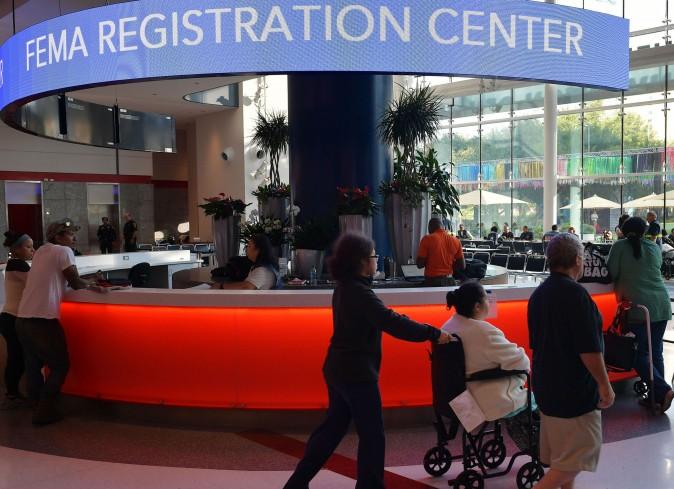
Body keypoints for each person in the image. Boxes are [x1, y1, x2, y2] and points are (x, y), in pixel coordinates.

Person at [283, 233, 451, 489]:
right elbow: (391, 322)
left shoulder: (345, 288)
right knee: (372, 436)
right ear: (362, 261)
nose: (377, 261)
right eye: (374, 256)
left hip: (337, 369)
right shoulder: (359, 292)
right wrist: (434, 333)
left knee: (332, 430)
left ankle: (297, 482)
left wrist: (402, 320)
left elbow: (381, 317)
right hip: (357, 374)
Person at [528, 234, 614, 489]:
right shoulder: (577, 296)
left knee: (562, 457)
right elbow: (589, 349)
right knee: (576, 460)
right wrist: (604, 385)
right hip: (573, 389)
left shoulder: (539, 295)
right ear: (578, 260)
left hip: (546, 385)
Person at [16, 219, 107, 425]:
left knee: (34, 366)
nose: (74, 237)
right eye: (69, 234)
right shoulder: (64, 251)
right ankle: (45, 409)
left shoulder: (41, 251)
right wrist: (94, 284)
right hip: (43, 320)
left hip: (23, 319)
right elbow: (74, 282)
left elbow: (60, 278)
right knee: (60, 365)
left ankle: (36, 406)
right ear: (57, 237)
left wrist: (89, 279)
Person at [607, 217, 673, 413]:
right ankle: (657, 397)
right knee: (656, 352)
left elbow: (612, 272)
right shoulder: (654, 247)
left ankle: (663, 390)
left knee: (639, 356)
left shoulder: (619, 247)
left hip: (638, 308)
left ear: (623, 230)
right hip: (661, 304)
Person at [441, 282, 530, 421]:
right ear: (477, 306)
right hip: (485, 402)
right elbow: (521, 362)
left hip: (457, 401)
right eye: (487, 300)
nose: (489, 303)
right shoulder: (484, 332)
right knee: (540, 397)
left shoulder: (447, 327)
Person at [0, 231, 34, 409]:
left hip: (12, 317)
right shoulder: (17, 264)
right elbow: (35, 283)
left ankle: (13, 392)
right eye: (28, 247)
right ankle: (12, 393)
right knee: (16, 357)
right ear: (17, 249)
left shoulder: (17, 264)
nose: (32, 250)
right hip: (12, 318)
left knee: (18, 356)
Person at [214, 234, 280, 290]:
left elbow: (246, 286)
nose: (246, 249)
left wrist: (221, 286)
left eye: (249, 246)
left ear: (257, 250)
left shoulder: (263, 270)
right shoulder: (261, 266)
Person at [416, 218, 465, 287]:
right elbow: (462, 266)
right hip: (450, 281)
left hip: (432, 282)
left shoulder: (427, 239)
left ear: (430, 228)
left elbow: (419, 264)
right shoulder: (456, 240)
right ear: (443, 227)